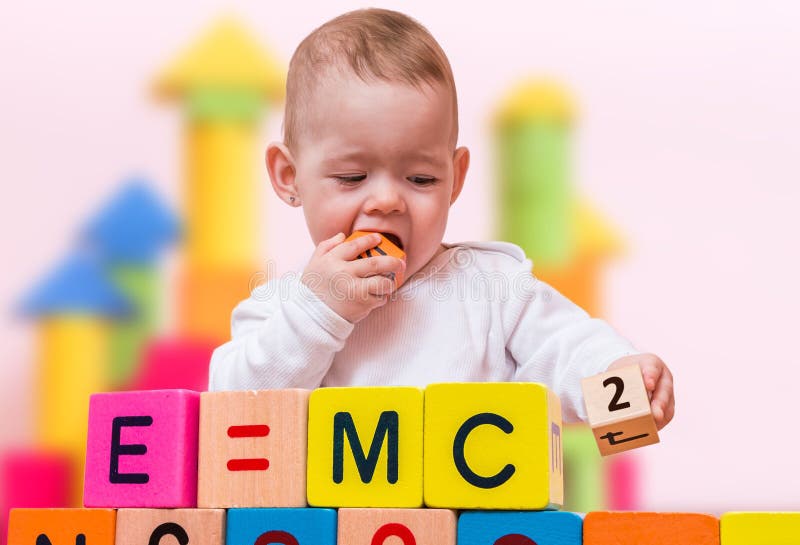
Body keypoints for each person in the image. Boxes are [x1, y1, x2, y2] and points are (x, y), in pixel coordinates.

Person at [208, 8, 674, 427]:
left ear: (455, 177)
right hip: (335, 525)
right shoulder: (282, 306)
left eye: (421, 179)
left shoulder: (493, 288)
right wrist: (319, 311)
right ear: (289, 176)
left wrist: (620, 374)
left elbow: (566, 347)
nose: (387, 200)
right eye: (352, 177)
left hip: (477, 522)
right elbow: (233, 408)